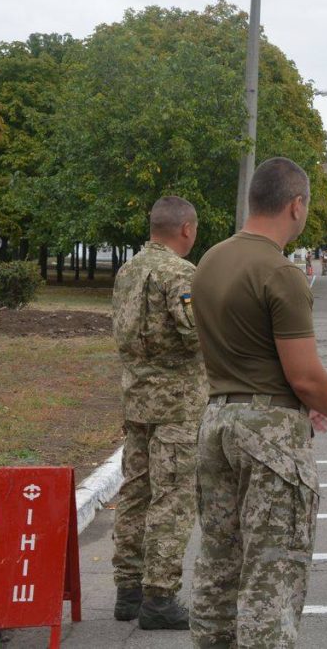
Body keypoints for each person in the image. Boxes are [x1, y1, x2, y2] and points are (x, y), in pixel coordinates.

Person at [189, 158, 327, 648]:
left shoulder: (210, 260)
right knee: (271, 575)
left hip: (216, 421)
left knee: (218, 560)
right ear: (296, 205)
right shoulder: (281, 271)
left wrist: (294, 396)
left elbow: (244, 350)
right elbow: (307, 375)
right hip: (267, 437)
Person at [111, 196, 207, 630]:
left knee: (135, 492)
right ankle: (160, 597)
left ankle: (127, 591)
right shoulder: (181, 273)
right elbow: (197, 335)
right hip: (176, 404)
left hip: (136, 400)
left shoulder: (127, 271)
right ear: (186, 229)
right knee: (172, 497)